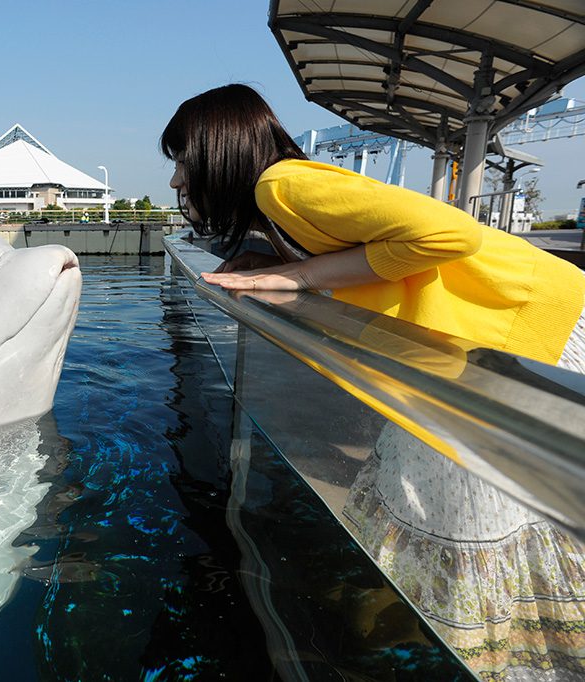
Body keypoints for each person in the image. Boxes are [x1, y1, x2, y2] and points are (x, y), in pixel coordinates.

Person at [163, 83, 585, 680]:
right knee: (449, 503)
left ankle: (501, 657)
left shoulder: (281, 184)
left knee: (457, 508)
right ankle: (501, 650)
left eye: (182, 159)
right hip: (494, 332)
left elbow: (450, 236)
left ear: (217, 150)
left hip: (529, 323)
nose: (179, 180)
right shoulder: (285, 193)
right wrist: (281, 267)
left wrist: (305, 276)